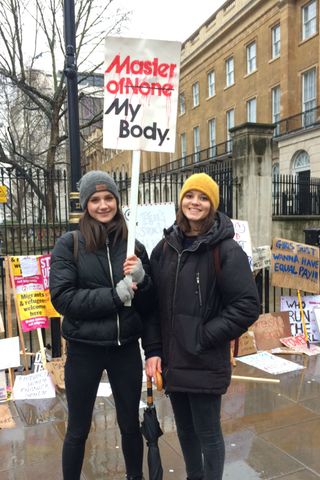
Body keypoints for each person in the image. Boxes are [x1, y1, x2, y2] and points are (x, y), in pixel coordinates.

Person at [146, 172, 260, 480]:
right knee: (184, 430)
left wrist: (204, 335)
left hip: (204, 358)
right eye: (189, 195)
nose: (194, 202)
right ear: (181, 200)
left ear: (212, 205)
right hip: (173, 361)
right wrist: (154, 350)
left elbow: (248, 306)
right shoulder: (165, 247)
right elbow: (153, 306)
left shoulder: (226, 250)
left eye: (203, 197)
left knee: (208, 433)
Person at [49, 170, 158, 480]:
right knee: (78, 428)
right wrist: (114, 296)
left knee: (129, 425)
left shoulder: (133, 247)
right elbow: (64, 299)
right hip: (85, 350)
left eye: (108, 198)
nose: (102, 205)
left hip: (124, 350)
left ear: (117, 201)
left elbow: (150, 306)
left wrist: (142, 279)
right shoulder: (69, 245)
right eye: (95, 200)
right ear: (85, 205)